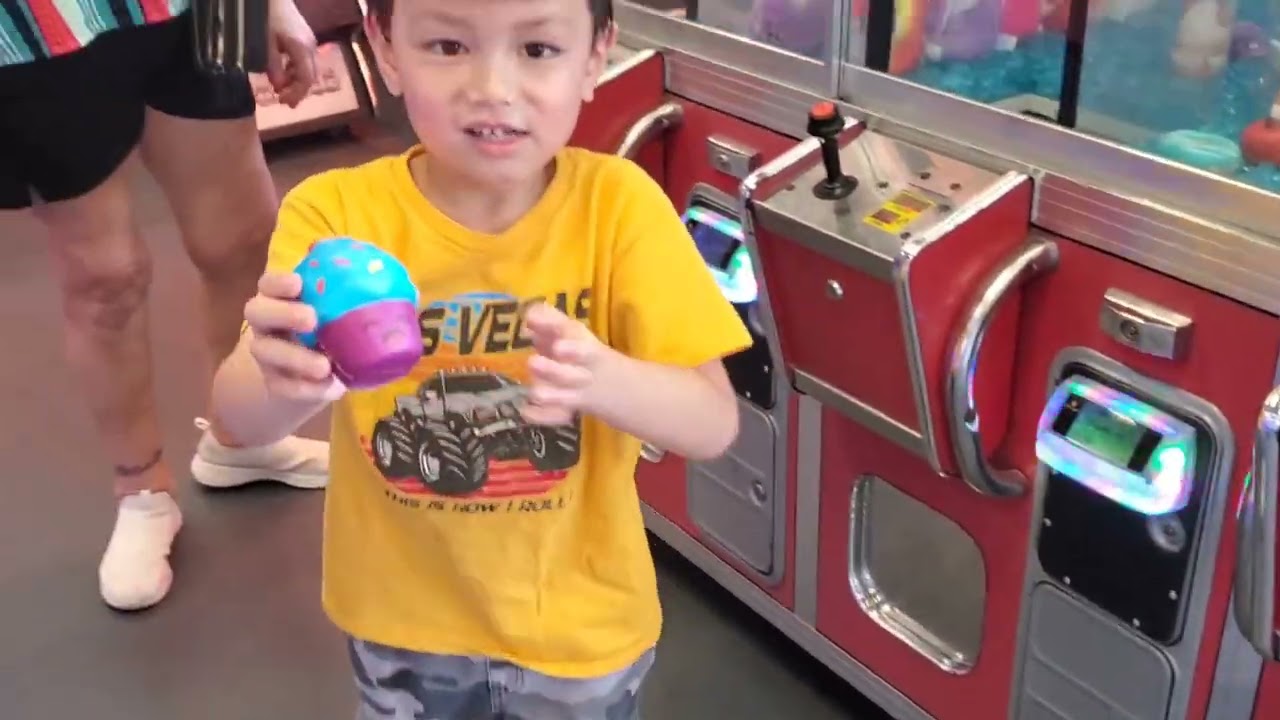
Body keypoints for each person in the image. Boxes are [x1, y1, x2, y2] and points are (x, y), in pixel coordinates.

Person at [206, 0, 751, 715]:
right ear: (385, 48)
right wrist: (286, 377)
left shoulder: (620, 211)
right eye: (447, 44)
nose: (492, 87)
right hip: (404, 628)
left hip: (580, 630)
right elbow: (238, 422)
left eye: (536, 51)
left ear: (594, 57)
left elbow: (713, 424)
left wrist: (607, 379)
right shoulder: (336, 215)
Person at [0, 0, 330, 612]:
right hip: (31, 33)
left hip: (191, 10)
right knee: (105, 278)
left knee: (244, 235)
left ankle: (240, 441)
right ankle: (141, 487)